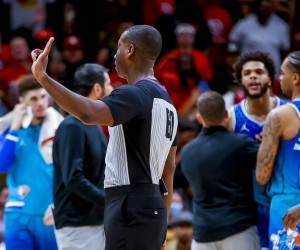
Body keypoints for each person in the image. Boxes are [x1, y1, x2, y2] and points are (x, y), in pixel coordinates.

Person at [31, 25, 178, 250]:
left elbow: (88, 113)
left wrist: (43, 78)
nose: (114, 54)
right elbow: (169, 170)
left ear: (130, 50)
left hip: (128, 204)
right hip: (153, 206)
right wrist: (162, 224)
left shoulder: (132, 93)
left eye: (118, 47)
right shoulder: (168, 104)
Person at [180, 91, 260, 250]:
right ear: (225, 114)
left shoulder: (187, 152)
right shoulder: (242, 144)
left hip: (202, 234)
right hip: (239, 229)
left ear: (199, 118)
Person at [227, 51, 287, 249]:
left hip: (288, 203)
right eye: (247, 73)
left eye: (259, 72)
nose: (253, 76)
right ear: (241, 81)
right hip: (248, 208)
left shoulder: (291, 112)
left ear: (270, 79)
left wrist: (275, 143)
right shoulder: (231, 117)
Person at [52, 63, 113, 250]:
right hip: (76, 224)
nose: (112, 89)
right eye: (108, 84)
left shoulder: (93, 124)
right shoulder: (72, 126)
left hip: (94, 220)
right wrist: (108, 199)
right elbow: (73, 178)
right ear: (97, 88)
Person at [0, 74, 63, 250]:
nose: (40, 103)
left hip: (49, 213)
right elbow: (1, 165)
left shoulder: (60, 128)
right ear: (22, 101)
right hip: (17, 213)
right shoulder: (10, 131)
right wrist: (14, 128)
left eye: (43, 97)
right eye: (34, 99)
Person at [256, 51, 300, 248]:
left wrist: (264, 146)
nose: (279, 79)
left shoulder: (280, 116)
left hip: (287, 209)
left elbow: (262, 176)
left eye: (282, 73)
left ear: (296, 78)